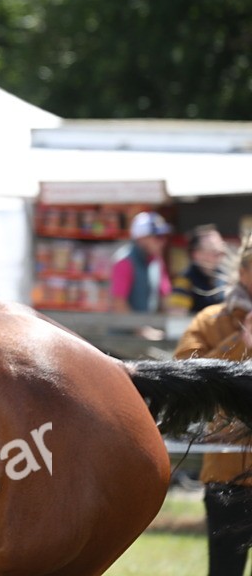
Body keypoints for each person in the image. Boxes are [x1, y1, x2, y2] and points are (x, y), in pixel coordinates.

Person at [173, 233, 252, 576]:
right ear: (245, 271)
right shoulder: (210, 320)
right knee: (225, 570)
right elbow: (182, 373)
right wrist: (239, 342)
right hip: (227, 473)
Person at [110, 211, 172, 313]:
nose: (162, 242)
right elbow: (119, 304)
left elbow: (165, 296)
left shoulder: (156, 261)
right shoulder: (124, 261)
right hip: (125, 328)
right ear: (141, 238)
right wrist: (141, 329)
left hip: (148, 325)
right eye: (157, 237)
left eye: (164, 236)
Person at [170, 224, 229, 315]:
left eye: (221, 249)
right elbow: (177, 317)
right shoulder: (185, 281)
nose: (219, 255)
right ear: (196, 254)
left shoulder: (225, 277)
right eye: (213, 251)